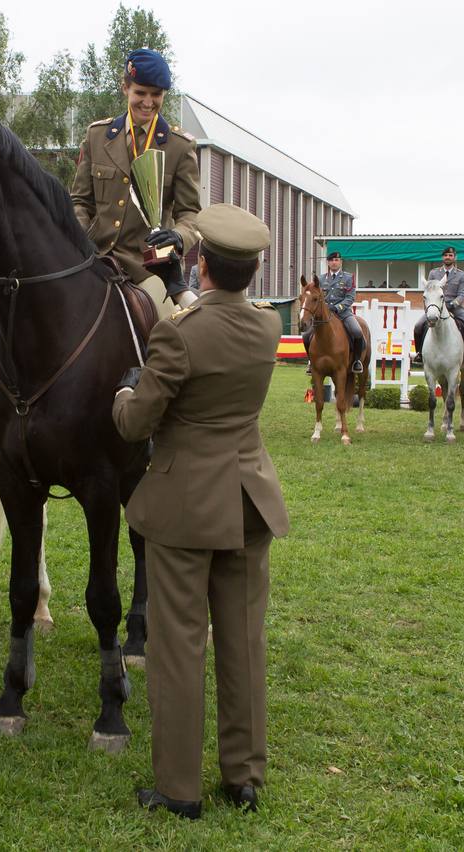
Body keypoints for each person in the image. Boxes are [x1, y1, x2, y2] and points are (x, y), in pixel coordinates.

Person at [111, 203, 290, 820]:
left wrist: (126, 389)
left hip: (186, 503)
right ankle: (243, 776)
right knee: (242, 639)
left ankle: (178, 788)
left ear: (201, 263)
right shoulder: (266, 327)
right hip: (248, 495)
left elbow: (137, 425)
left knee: (179, 643)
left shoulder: (178, 332)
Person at [70, 47, 201, 320]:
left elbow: (190, 214)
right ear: (125, 88)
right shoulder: (97, 136)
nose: (148, 102)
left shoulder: (179, 146)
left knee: (168, 335)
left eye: (156, 95)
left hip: (149, 266)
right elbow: (81, 201)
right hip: (94, 258)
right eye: (140, 93)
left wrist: (178, 237)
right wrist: (77, 236)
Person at [302, 250, 364, 374]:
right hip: (324, 316)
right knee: (306, 335)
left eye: (337, 260)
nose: (334, 262)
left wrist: (337, 307)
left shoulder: (348, 278)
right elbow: (315, 297)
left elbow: (350, 298)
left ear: (340, 262)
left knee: (357, 332)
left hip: (343, 313)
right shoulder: (320, 279)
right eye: (331, 260)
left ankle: (357, 361)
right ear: (328, 263)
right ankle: (311, 361)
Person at [412, 246, 464, 366]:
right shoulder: (433, 273)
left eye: (450, 255)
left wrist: (454, 303)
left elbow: (462, 292)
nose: (448, 257)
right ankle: (419, 353)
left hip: (454, 307)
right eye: (446, 255)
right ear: (442, 257)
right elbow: (428, 291)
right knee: (418, 326)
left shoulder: (461, 275)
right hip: (435, 308)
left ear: (454, 258)